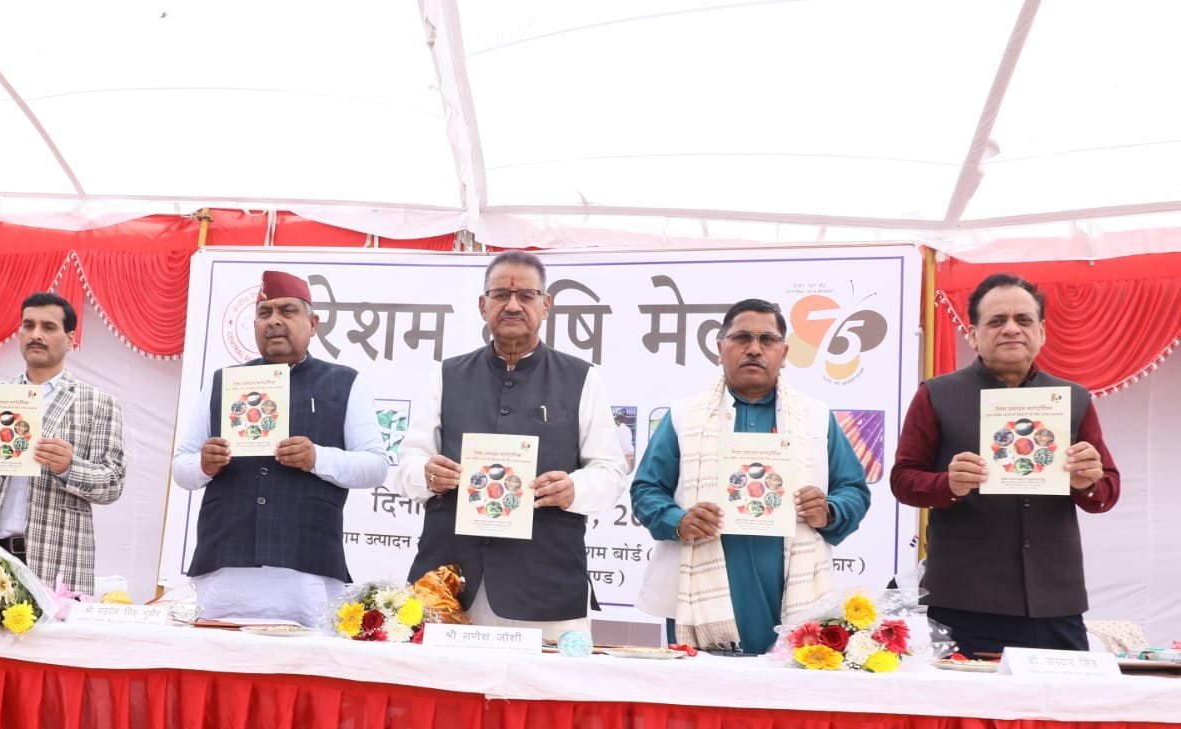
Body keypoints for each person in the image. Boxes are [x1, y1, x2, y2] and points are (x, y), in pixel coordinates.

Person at [400, 250, 630, 641]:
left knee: (548, 682)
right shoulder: (446, 375)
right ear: (483, 305)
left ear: (546, 305)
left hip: (546, 583)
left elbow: (610, 471)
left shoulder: (581, 378)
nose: (512, 305)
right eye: (501, 295)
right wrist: (425, 473)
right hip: (449, 583)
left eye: (526, 295)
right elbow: (410, 459)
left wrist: (574, 488)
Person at [890, 273, 1118, 655]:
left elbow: (1107, 489)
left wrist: (1087, 482)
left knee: (1062, 696)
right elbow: (903, 479)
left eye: (1023, 320)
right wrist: (948, 485)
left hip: (1054, 601)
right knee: (958, 695)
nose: (1011, 329)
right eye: (996, 321)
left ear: (1042, 332)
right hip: (963, 601)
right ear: (972, 334)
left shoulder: (1073, 398)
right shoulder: (936, 395)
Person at [632, 299, 871, 653]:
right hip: (698, 596)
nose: (755, 349)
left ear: (784, 353)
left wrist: (829, 511)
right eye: (742, 338)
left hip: (792, 590)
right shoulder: (684, 415)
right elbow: (646, 490)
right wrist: (678, 521)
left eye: (767, 339)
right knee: (699, 688)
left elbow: (853, 490)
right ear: (720, 349)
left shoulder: (816, 418)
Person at [173, 271, 388, 626]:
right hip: (227, 563)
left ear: (313, 324)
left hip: (307, 566)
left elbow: (375, 466)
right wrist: (204, 464)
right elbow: (182, 466)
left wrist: (317, 457)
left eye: (287, 311)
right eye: (264, 313)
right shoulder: (224, 381)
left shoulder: (345, 382)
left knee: (305, 659)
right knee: (218, 655)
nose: (274, 321)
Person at [0, 292, 125, 595]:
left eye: (48, 327)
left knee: (54, 630)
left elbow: (113, 484)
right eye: (28, 325)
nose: (36, 334)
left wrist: (69, 467)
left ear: (70, 339)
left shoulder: (98, 403)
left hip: (58, 558)